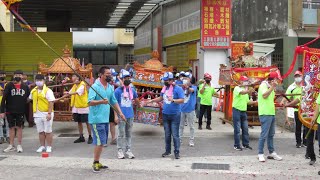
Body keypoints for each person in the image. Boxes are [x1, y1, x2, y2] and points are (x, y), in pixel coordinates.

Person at [88, 66, 125, 173]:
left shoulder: (109, 87)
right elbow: (89, 102)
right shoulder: (94, 87)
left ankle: (97, 161)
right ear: (101, 75)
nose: (110, 76)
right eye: (107, 74)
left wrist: (120, 113)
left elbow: (114, 101)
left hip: (105, 119)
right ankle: (95, 162)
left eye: (110, 74)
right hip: (96, 119)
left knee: (102, 141)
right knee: (100, 142)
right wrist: (101, 102)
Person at [148, 72, 184, 159]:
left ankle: (177, 152)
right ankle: (167, 151)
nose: (165, 82)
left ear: (172, 80)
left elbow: (182, 100)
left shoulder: (178, 89)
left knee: (175, 134)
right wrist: (152, 100)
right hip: (165, 114)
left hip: (175, 114)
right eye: (164, 80)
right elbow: (161, 98)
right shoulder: (164, 88)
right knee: (167, 134)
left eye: (167, 80)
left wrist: (173, 100)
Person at [0, 70, 30, 153]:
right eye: (16, 74)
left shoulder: (25, 86)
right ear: (13, 76)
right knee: (11, 127)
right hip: (10, 110)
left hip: (20, 111)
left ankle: (19, 145)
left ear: (22, 76)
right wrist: (2, 111)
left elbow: (29, 99)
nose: (18, 76)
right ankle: (11, 145)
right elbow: (4, 98)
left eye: (20, 75)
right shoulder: (9, 85)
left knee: (19, 127)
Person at [115, 69, 140, 159]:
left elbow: (136, 100)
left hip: (130, 115)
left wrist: (141, 105)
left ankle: (128, 150)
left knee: (129, 133)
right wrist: (115, 116)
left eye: (128, 77)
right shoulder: (117, 91)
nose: (127, 79)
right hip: (121, 115)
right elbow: (115, 104)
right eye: (125, 78)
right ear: (121, 79)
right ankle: (120, 150)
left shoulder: (132, 90)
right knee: (121, 133)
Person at [257, 72, 282, 162]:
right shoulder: (263, 85)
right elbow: (264, 95)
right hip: (265, 113)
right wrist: (272, 87)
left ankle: (272, 152)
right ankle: (260, 153)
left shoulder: (271, 87)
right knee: (264, 134)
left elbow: (270, 99)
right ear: (272, 79)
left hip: (271, 112)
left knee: (271, 134)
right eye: (276, 79)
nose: (277, 81)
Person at [29, 74, 55, 153]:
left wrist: (49, 113)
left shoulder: (48, 91)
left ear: (44, 81)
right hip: (37, 113)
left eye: (40, 80)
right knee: (40, 131)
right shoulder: (33, 90)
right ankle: (42, 146)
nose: (38, 82)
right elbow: (29, 99)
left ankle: (49, 146)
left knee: (48, 131)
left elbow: (51, 102)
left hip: (46, 113)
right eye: (37, 80)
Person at [281, 70, 306, 148]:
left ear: (302, 76)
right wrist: (282, 102)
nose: (297, 78)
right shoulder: (291, 87)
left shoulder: (305, 85)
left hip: (305, 109)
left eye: (299, 76)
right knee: (298, 126)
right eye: (296, 76)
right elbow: (286, 96)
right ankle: (298, 142)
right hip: (297, 109)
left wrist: (287, 105)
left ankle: (305, 142)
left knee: (306, 126)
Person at [65, 74, 93, 144]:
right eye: (72, 76)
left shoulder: (82, 84)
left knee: (87, 122)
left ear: (78, 78)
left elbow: (77, 92)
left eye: (74, 76)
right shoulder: (74, 85)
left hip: (83, 106)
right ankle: (81, 136)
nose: (72, 78)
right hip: (76, 106)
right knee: (79, 122)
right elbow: (70, 92)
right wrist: (67, 93)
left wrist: (68, 93)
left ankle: (90, 136)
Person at [232, 76, 256, 151]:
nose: (246, 83)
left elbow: (248, 102)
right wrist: (249, 91)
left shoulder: (246, 91)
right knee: (237, 129)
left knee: (245, 129)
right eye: (245, 81)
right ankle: (236, 145)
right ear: (241, 82)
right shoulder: (237, 88)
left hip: (243, 111)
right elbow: (242, 93)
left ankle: (245, 144)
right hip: (236, 110)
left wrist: (256, 101)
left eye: (247, 81)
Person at [179, 72, 197, 147]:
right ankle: (179, 139)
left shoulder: (194, 87)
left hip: (190, 110)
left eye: (187, 78)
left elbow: (191, 90)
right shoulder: (181, 88)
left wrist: (186, 87)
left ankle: (191, 140)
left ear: (190, 79)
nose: (185, 79)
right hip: (182, 109)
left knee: (191, 126)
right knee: (181, 126)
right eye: (184, 78)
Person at [304, 94, 319, 165]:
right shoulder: (307, 87)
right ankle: (311, 155)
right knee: (309, 139)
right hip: (308, 114)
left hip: (315, 117)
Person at [108, 68, 119, 146]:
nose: (113, 77)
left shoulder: (115, 84)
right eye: (111, 76)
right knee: (104, 123)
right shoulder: (101, 84)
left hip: (112, 104)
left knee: (112, 122)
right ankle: (103, 140)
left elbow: (121, 85)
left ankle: (113, 138)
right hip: (104, 105)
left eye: (113, 76)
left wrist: (115, 82)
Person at [0, 70, 9, 144]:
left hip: (8, 105)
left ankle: (8, 136)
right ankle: (1, 137)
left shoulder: (8, 84)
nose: (2, 76)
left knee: (8, 122)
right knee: (0, 123)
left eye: (3, 74)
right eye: (1, 75)